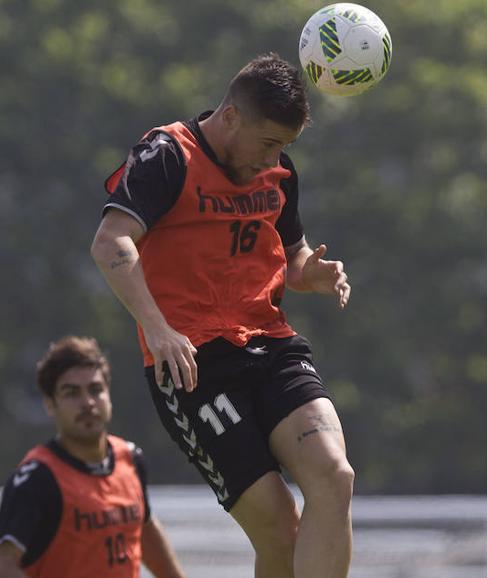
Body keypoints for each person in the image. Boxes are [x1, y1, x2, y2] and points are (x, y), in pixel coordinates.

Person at [91, 52, 354, 578]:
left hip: (271, 342)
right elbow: (110, 241)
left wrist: (311, 274)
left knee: (335, 475)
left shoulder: (276, 168)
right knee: (281, 533)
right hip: (192, 364)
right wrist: (157, 328)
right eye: (267, 144)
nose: (274, 159)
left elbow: (292, 254)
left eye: (284, 147)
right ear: (231, 116)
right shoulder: (167, 155)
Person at [0, 336, 186, 578]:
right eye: (72, 393)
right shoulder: (37, 479)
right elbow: (5, 563)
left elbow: (144, 529)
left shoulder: (130, 459)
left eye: (96, 390)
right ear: (50, 405)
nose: (87, 403)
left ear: (109, 396)